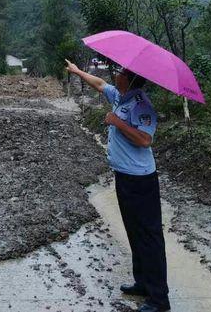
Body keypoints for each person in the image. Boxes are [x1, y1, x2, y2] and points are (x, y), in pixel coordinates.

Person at [64, 59, 170, 312]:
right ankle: (142, 282)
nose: (117, 75)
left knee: (149, 237)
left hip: (141, 179)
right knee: (134, 231)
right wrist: (77, 71)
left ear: (131, 79)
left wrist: (117, 122)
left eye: (121, 72)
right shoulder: (120, 96)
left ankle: (159, 299)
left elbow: (145, 140)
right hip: (124, 176)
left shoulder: (141, 105)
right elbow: (100, 84)